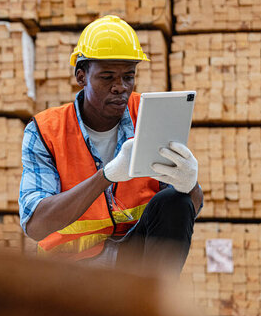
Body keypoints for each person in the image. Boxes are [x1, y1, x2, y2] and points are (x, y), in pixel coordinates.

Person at [19, 15, 203, 273]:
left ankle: (153, 306)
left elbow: (182, 214)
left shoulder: (148, 115)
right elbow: (36, 226)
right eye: (107, 77)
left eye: (128, 76)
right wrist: (105, 176)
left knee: (177, 200)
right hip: (69, 272)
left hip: (134, 261)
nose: (120, 88)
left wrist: (189, 184)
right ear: (81, 77)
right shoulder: (45, 131)